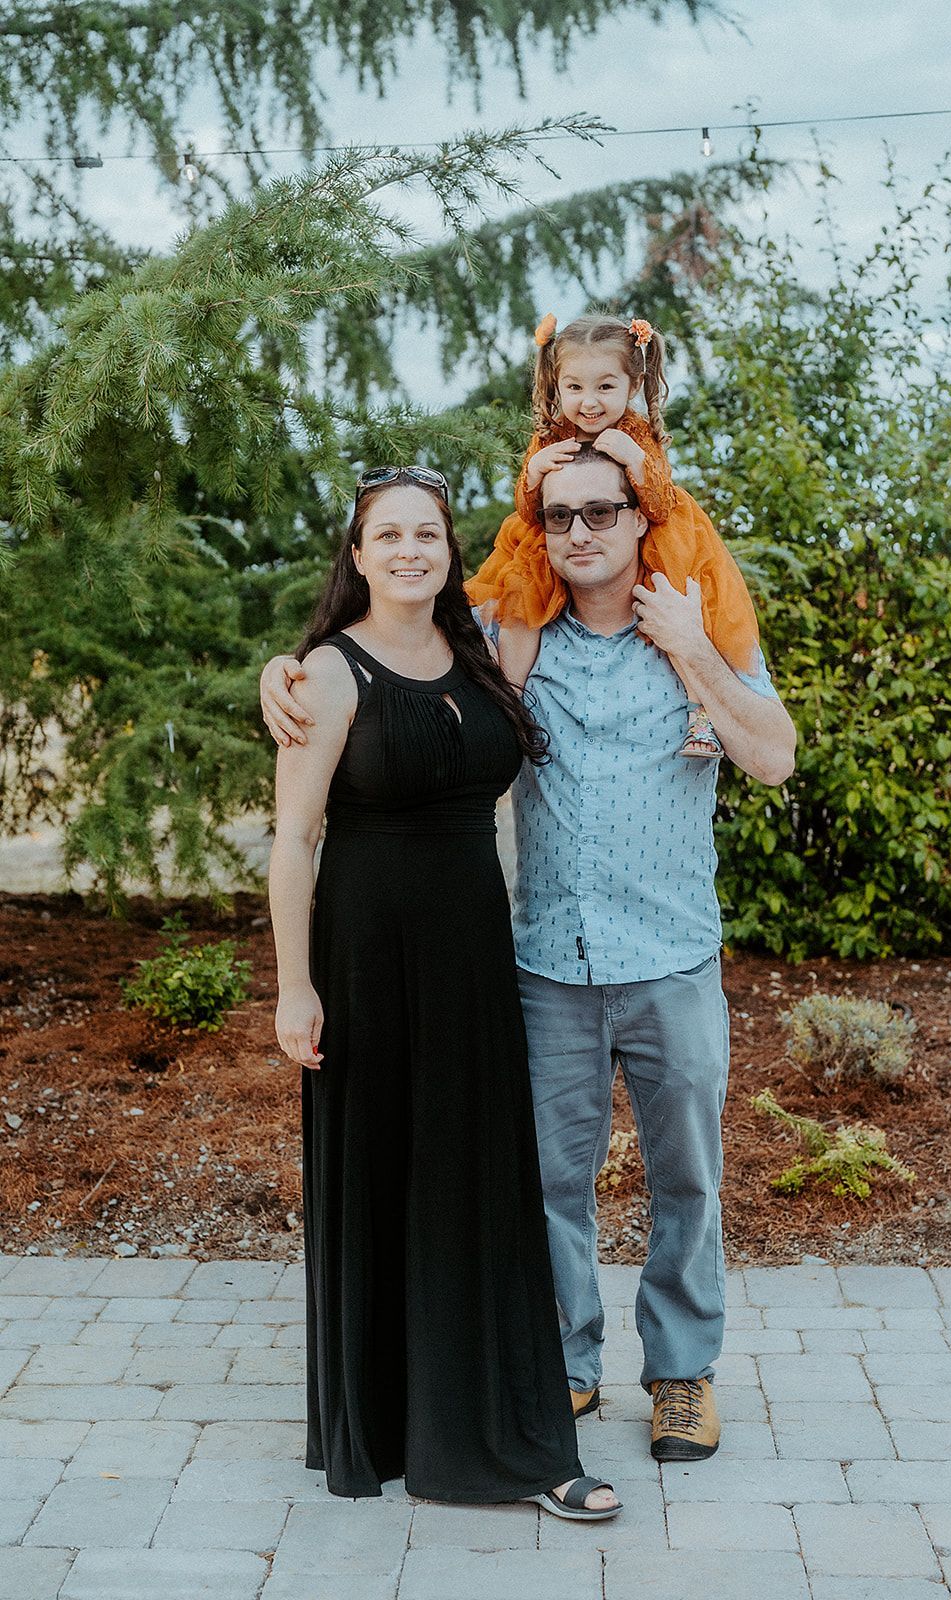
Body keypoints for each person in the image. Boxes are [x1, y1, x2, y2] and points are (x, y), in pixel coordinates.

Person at [262, 449, 796, 1465]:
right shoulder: (510, 637)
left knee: (687, 1178)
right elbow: (393, 631)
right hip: (548, 962)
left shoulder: (702, 623)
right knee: (547, 1180)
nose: (582, 531)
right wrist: (287, 673)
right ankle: (567, 1362)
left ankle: (681, 1375)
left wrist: (695, 653)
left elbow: (773, 756)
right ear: (536, 533)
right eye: (560, 516)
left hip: (671, 957)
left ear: (643, 520)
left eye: (604, 511)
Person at [267, 463, 620, 1520]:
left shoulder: (478, 644)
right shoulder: (327, 673)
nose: (413, 551)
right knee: (381, 1173)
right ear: (359, 554)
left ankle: (496, 1421)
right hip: (365, 956)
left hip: (472, 954)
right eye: (390, 537)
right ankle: (378, 1425)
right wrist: (294, 988)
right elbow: (292, 841)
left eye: (430, 533)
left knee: (475, 1180)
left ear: (449, 548)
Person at [466, 311, 765, 760]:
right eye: (575, 387)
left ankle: (699, 713)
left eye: (605, 387)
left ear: (632, 385)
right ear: (556, 385)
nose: (589, 402)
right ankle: (509, 700)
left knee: (682, 607)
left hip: (649, 542)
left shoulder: (635, 433)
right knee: (521, 599)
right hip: (555, 536)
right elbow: (530, 512)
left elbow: (660, 503)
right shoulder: (549, 435)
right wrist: (532, 476)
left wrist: (638, 464)